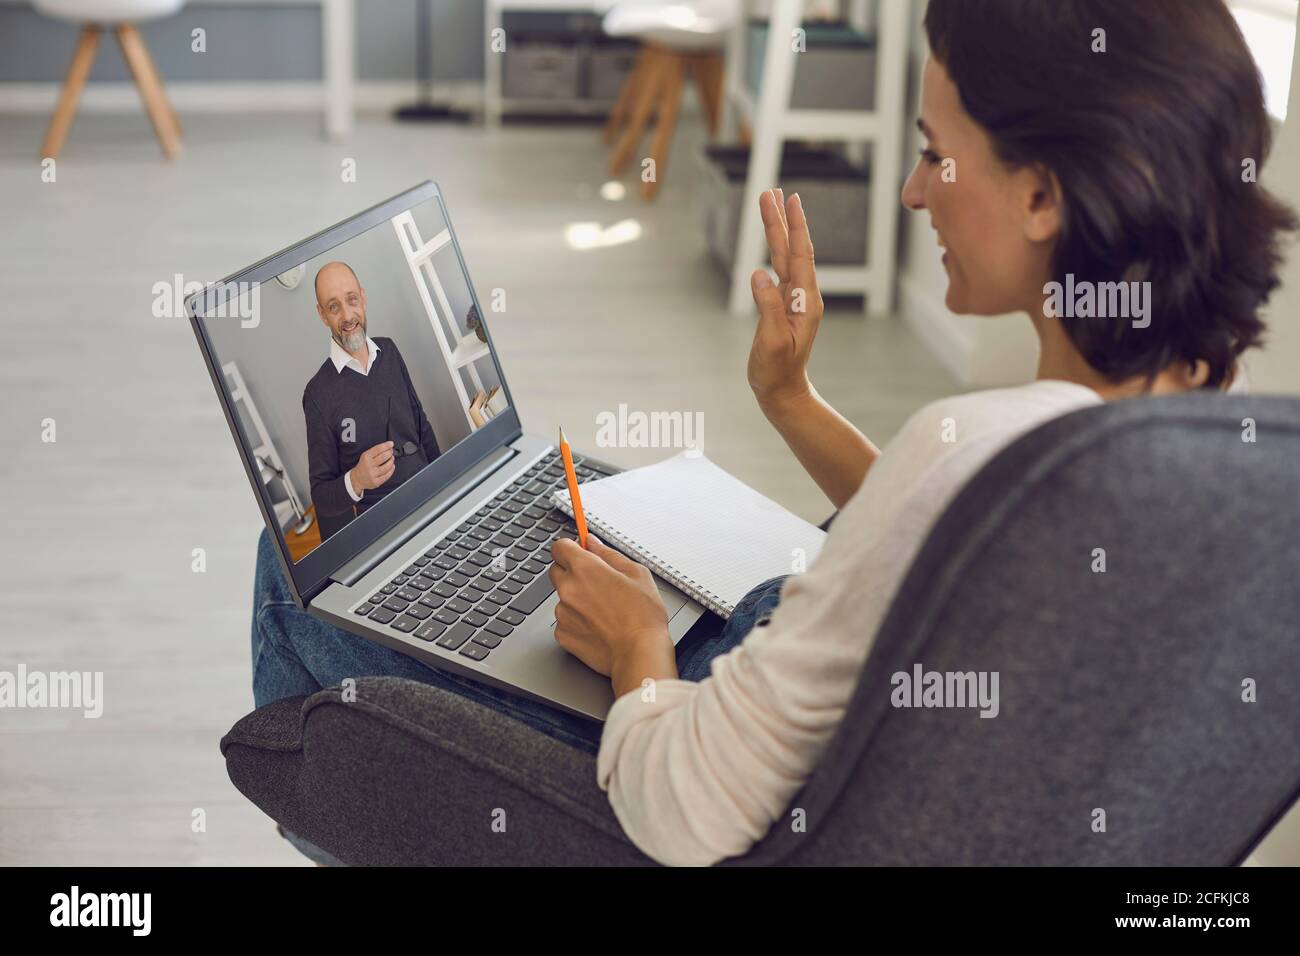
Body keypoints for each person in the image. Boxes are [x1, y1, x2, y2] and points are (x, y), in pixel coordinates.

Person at [253, 0, 1296, 865]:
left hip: (694, 751)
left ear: (1039, 194)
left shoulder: (965, 446)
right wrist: (792, 399)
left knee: (294, 571)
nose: (909, 189)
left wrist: (639, 643)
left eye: (936, 155)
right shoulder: (1210, 439)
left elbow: (685, 803)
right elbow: (977, 553)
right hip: (818, 715)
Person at [302, 261, 440, 542]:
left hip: (430, 499)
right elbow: (322, 495)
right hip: (385, 530)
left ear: (363, 298)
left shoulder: (389, 350)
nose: (347, 315)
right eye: (333, 306)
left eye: (351, 300)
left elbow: (421, 425)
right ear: (322, 315)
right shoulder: (317, 394)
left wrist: (446, 485)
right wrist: (356, 480)